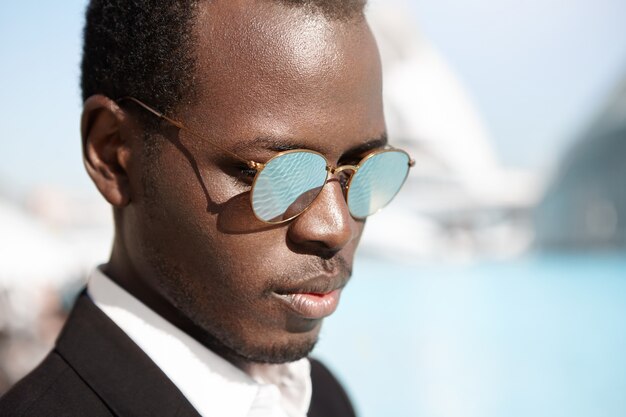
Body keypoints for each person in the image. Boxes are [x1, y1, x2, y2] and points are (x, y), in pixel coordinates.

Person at [0, 0, 413, 415]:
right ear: (114, 154)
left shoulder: (322, 398)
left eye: (362, 170)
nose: (336, 226)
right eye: (276, 173)